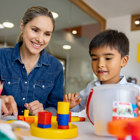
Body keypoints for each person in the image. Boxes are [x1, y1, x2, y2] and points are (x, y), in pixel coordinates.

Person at [0, 6, 64, 116]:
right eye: (35, 30)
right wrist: (1, 100)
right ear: (22, 25)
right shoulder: (2, 57)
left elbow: (55, 106)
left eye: (47, 34)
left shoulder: (56, 66)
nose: (40, 39)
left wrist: (44, 112)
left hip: (36, 131)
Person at [64, 29, 140, 114]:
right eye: (95, 59)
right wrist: (71, 105)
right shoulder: (91, 87)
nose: (100, 64)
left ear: (124, 60)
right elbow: (78, 106)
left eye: (108, 58)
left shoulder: (134, 91)